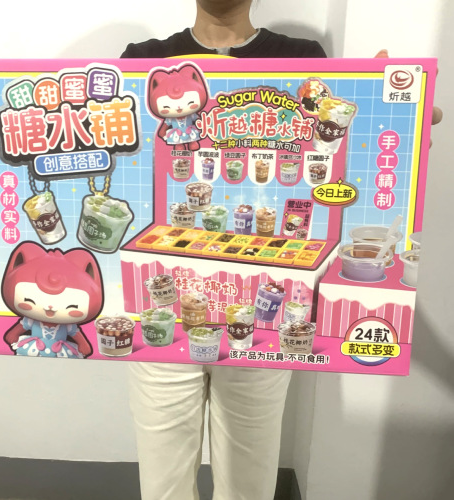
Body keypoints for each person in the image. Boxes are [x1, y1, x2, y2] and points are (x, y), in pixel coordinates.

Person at [121, 2, 442, 499]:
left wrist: (401, 119)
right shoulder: (142, 60)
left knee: (250, 477)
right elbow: (126, 162)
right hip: (164, 303)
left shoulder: (303, 58)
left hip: (265, 302)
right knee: (162, 479)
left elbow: (335, 150)